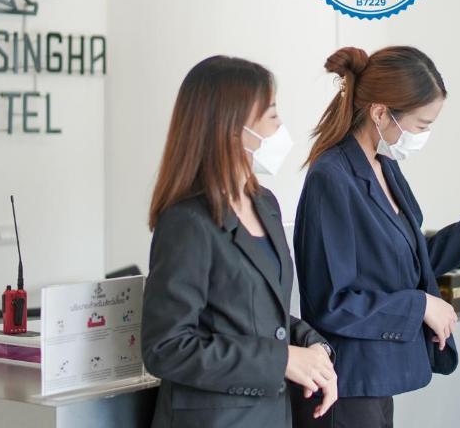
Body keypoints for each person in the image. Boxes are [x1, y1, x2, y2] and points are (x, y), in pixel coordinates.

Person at [292, 46, 460, 428]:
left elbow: (412, 261)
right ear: (381, 112)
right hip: (347, 384)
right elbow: (332, 303)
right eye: (421, 125)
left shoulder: (385, 167)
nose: (424, 136)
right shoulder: (331, 177)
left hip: (378, 381)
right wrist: (420, 306)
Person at [142, 56, 338, 428]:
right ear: (233, 129)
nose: (282, 127)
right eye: (272, 115)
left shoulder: (264, 203)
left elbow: (264, 315)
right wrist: (281, 359)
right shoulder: (187, 222)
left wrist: (313, 347)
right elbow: (166, 347)